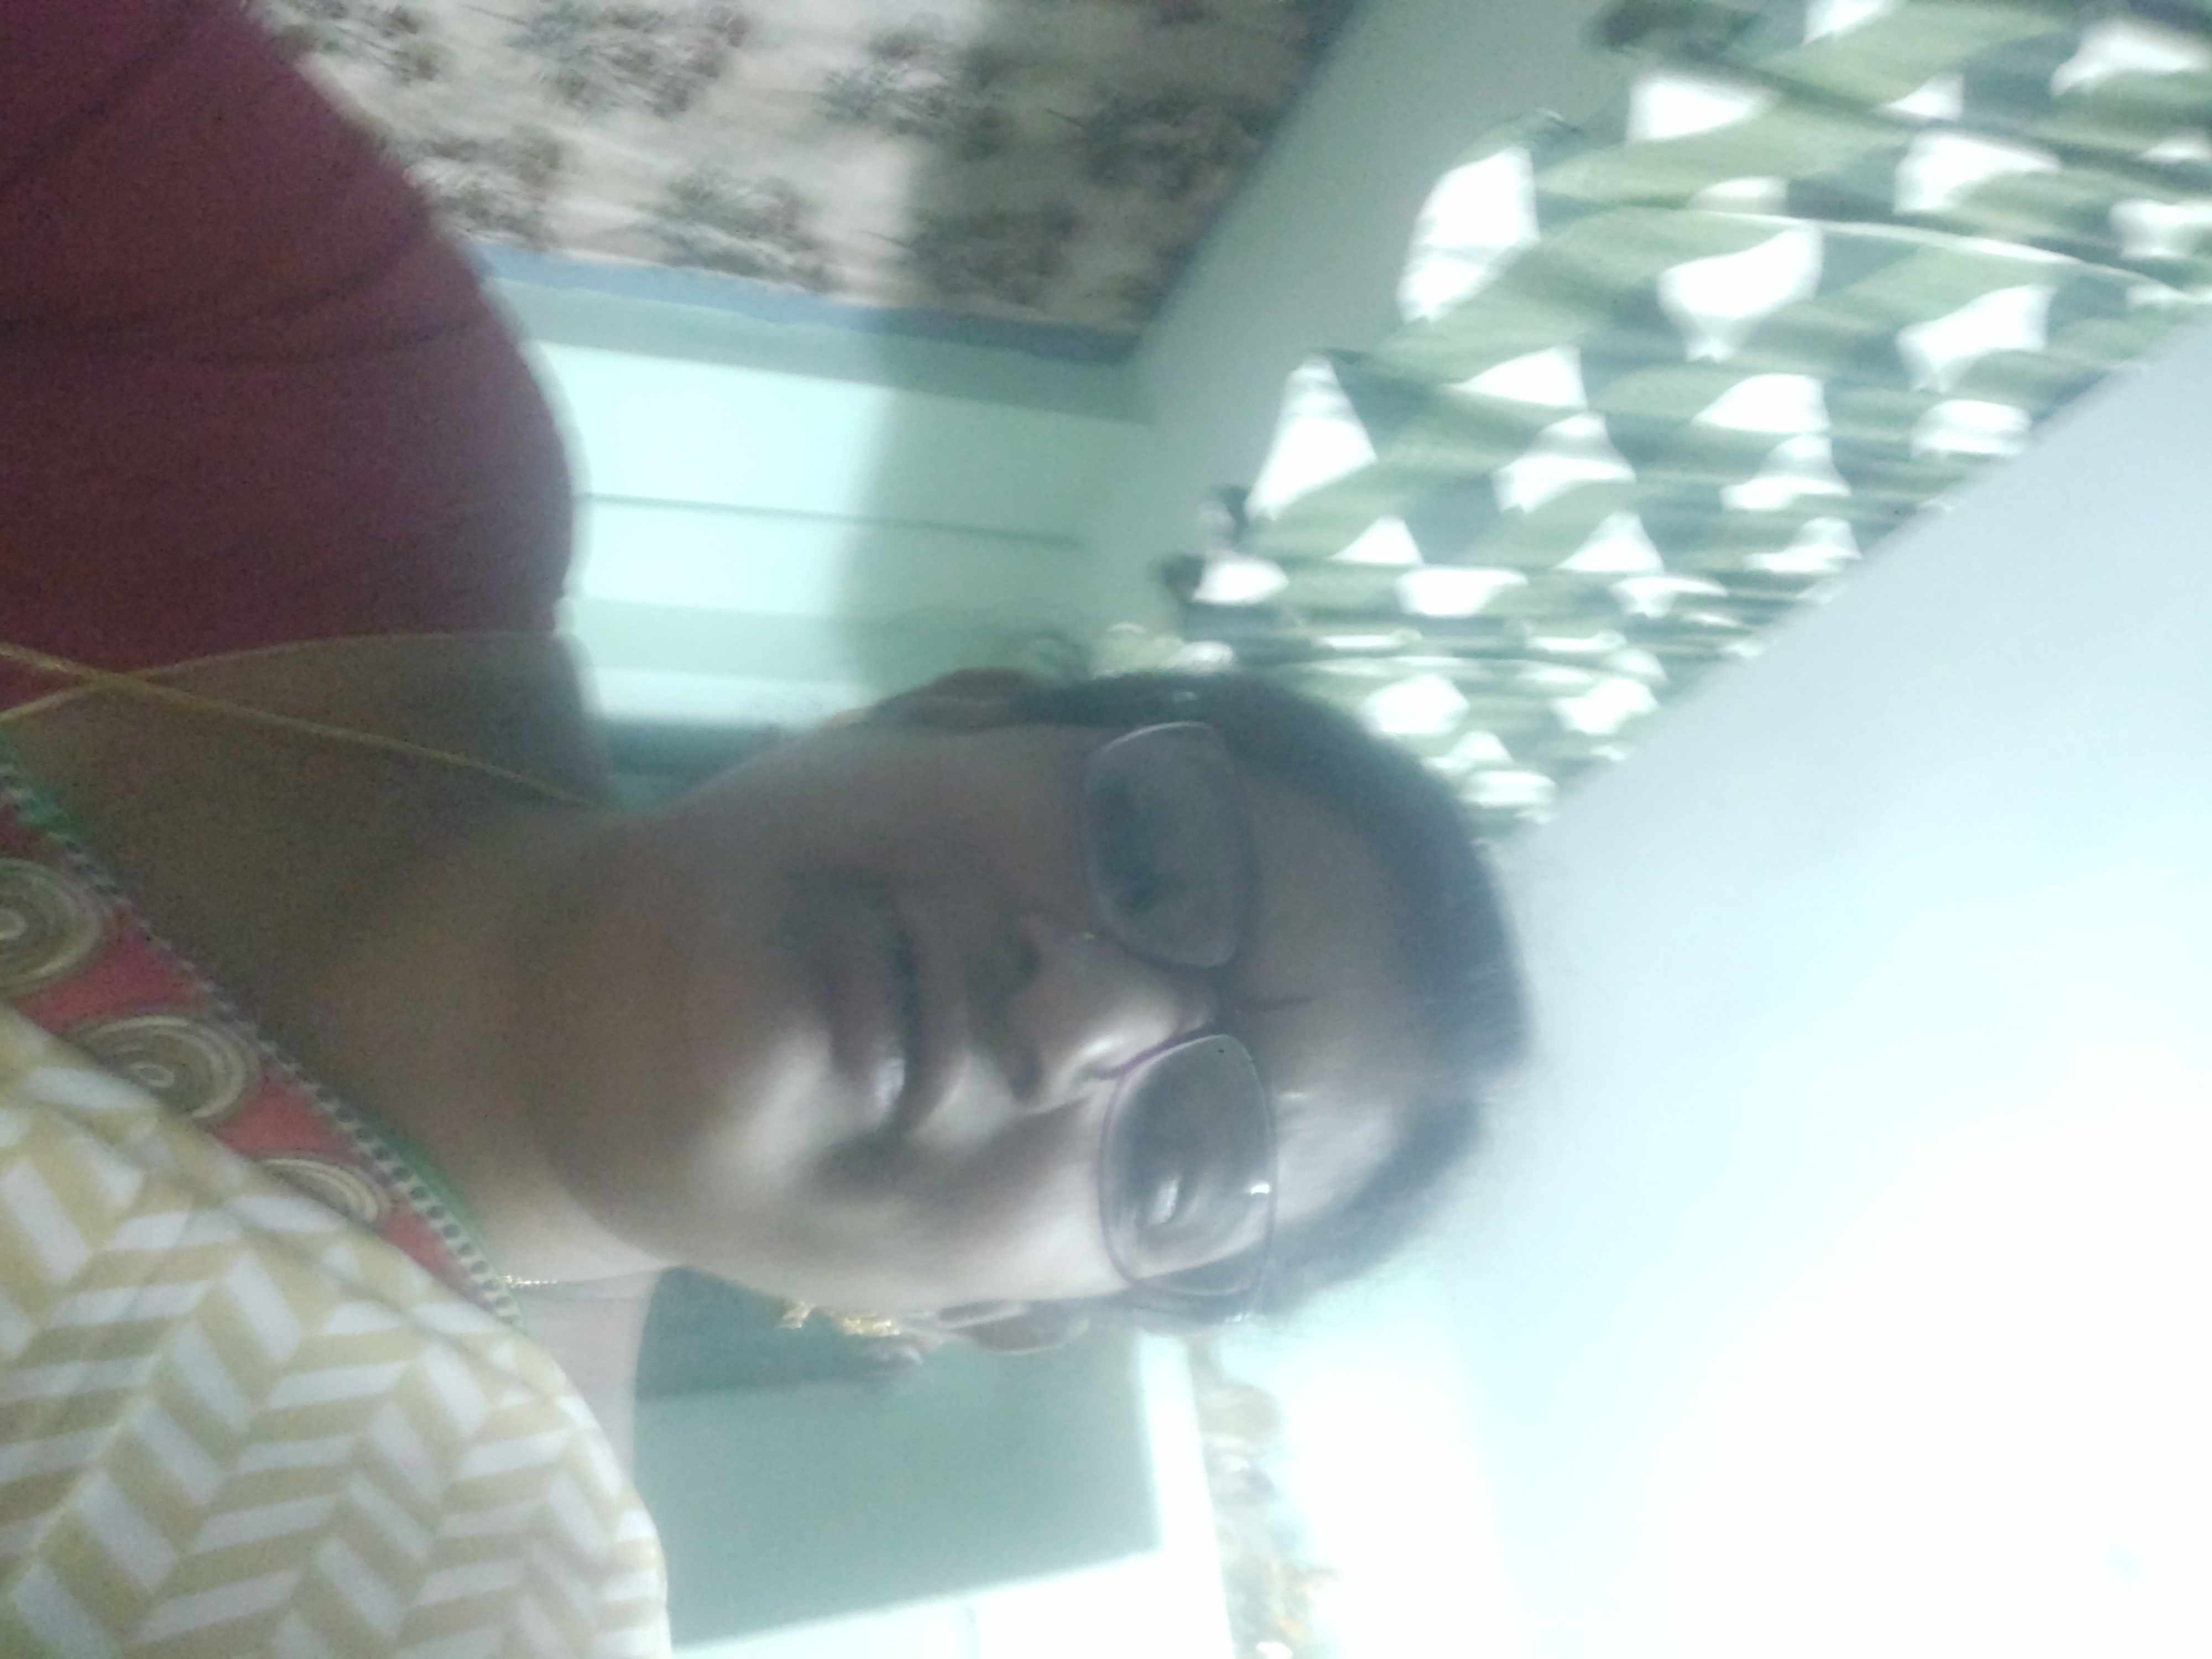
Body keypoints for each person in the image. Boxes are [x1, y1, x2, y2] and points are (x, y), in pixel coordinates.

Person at [1, 1, 1526, 1652]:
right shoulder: (329, 422)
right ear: (947, 706)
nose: (1084, 1014)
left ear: (1001, 1314)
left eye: (1179, 1161)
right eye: (1151, 859)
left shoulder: (450, 1587)